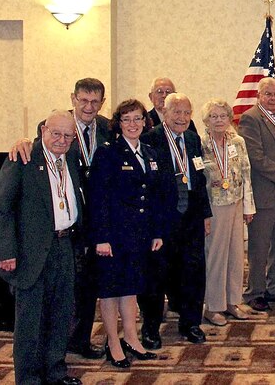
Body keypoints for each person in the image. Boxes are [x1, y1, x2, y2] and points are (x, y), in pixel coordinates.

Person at [8, 78, 111, 360]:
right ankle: (54, 350)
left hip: (91, 218)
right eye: (83, 100)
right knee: (54, 297)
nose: (89, 107)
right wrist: (22, 141)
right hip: (57, 222)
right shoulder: (56, 125)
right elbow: (35, 150)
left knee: (86, 285)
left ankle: (80, 340)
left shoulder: (106, 127)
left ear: (102, 103)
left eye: (95, 101)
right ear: (73, 99)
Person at [0, 110, 84, 385]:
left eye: (68, 135)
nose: (61, 140)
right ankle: (28, 379)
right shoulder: (23, 158)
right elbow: (0, 210)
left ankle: (55, 372)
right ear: (43, 130)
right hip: (31, 252)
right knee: (30, 321)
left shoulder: (73, 158)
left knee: (61, 314)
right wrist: (6, 252)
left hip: (65, 246)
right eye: (56, 133)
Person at [89, 100, 164, 367]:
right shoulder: (107, 153)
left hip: (140, 235)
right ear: (118, 124)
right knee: (110, 290)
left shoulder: (150, 152)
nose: (132, 124)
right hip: (113, 236)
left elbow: (154, 197)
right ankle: (113, 342)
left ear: (145, 121)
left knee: (131, 288)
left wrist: (156, 231)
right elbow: (98, 198)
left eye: (137, 118)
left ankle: (132, 338)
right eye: (126, 119)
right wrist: (101, 237)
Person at [138, 93, 212, 348]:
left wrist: (205, 214)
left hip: (191, 214)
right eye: (176, 112)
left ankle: (191, 323)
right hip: (162, 216)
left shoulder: (193, 139)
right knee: (157, 274)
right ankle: (151, 327)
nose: (182, 118)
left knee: (193, 270)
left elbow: (200, 178)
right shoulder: (150, 139)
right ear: (165, 113)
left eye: (186, 112)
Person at [238, 77, 275, 311]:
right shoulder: (251, 118)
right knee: (259, 247)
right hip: (264, 192)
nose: (273, 98)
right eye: (269, 94)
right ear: (259, 96)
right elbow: (255, 157)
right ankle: (255, 292)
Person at [199, 100, 255, 326]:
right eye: (213, 116)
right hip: (214, 207)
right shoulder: (200, 143)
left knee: (235, 254)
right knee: (215, 256)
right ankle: (213, 307)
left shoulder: (238, 142)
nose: (219, 120)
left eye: (223, 116)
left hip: (236, 202)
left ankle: (233, 301)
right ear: (206, 121)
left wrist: (248, 206)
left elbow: (246, 173)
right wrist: (202, 213)